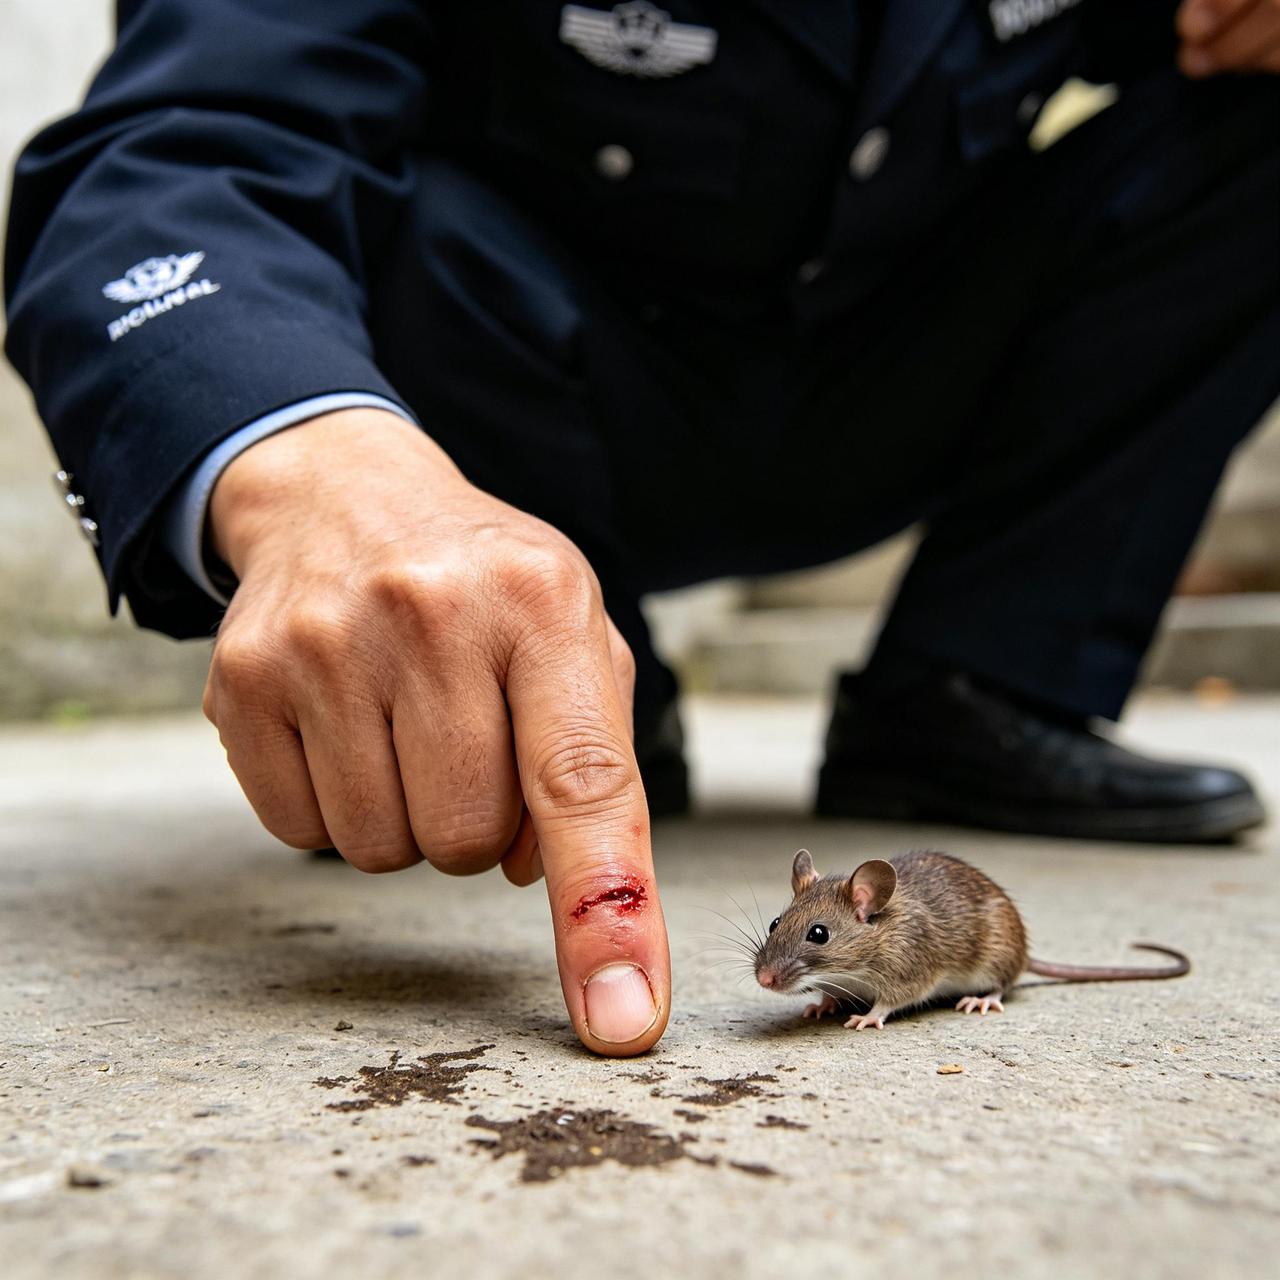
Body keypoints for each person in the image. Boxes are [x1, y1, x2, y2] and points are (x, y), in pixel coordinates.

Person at [5, 0, 1278, 1057]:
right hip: (541, 384)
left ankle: (984, 676)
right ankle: (580, 683)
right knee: (401, 210)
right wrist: (298, 457)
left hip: (910, 371)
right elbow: (181, 142)